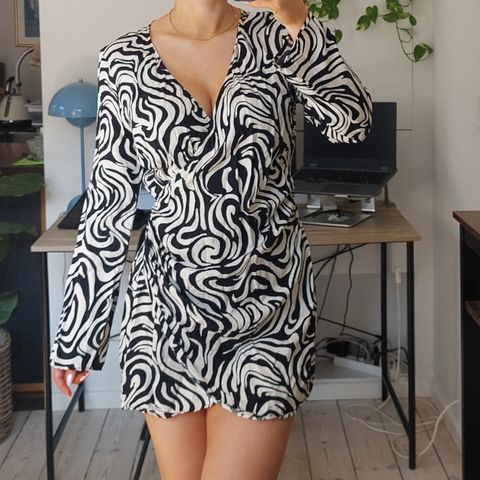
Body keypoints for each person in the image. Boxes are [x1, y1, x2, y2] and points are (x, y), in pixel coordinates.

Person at [49, 0, 372, 478]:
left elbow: (353, 124)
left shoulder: (277, 35)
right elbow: (108, 203)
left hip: (268, 309)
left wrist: (299, 21)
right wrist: (79, 334)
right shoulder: (122, 58)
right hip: (165, 314)